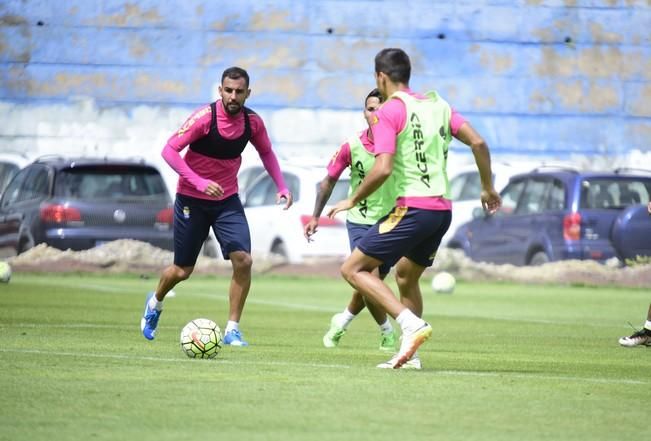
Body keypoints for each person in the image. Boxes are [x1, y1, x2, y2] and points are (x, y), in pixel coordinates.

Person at [328, 48, 502, 369]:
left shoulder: (388, 112)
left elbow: (381, 169)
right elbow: (478, 143)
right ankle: (411, 356)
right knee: (406, 276)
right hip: (441, 212)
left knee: (352, 269)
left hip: (412, 208)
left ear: (381, 77)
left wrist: (351, 199)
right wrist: (488, 187)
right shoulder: (438, 105)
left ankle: (410, 324)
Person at [141, 66, 293, 346]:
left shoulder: (253, 123)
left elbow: (267, 153)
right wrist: (198, 182)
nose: (233, 96)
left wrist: (282, 186)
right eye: (228, 90)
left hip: (226, 201)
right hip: (192, 200)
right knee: (182, 271)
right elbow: (169, 150)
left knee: (244, 260)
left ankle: (232, 329)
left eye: (239, 91)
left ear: (248, 93)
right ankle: (155, 303)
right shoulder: (204, 118)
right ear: (220, 91)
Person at [304, 89, 399, 355]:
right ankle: (387, 333)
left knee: (369, 280)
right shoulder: (352, 145)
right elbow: (328, 181)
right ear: (364, 112)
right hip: (359, 220)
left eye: (381, 108)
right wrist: (315, 216)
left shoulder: (398, 145)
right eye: (370, 108)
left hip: (392, 220)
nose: (375, 114)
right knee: (368, 276)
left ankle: (343, 320)